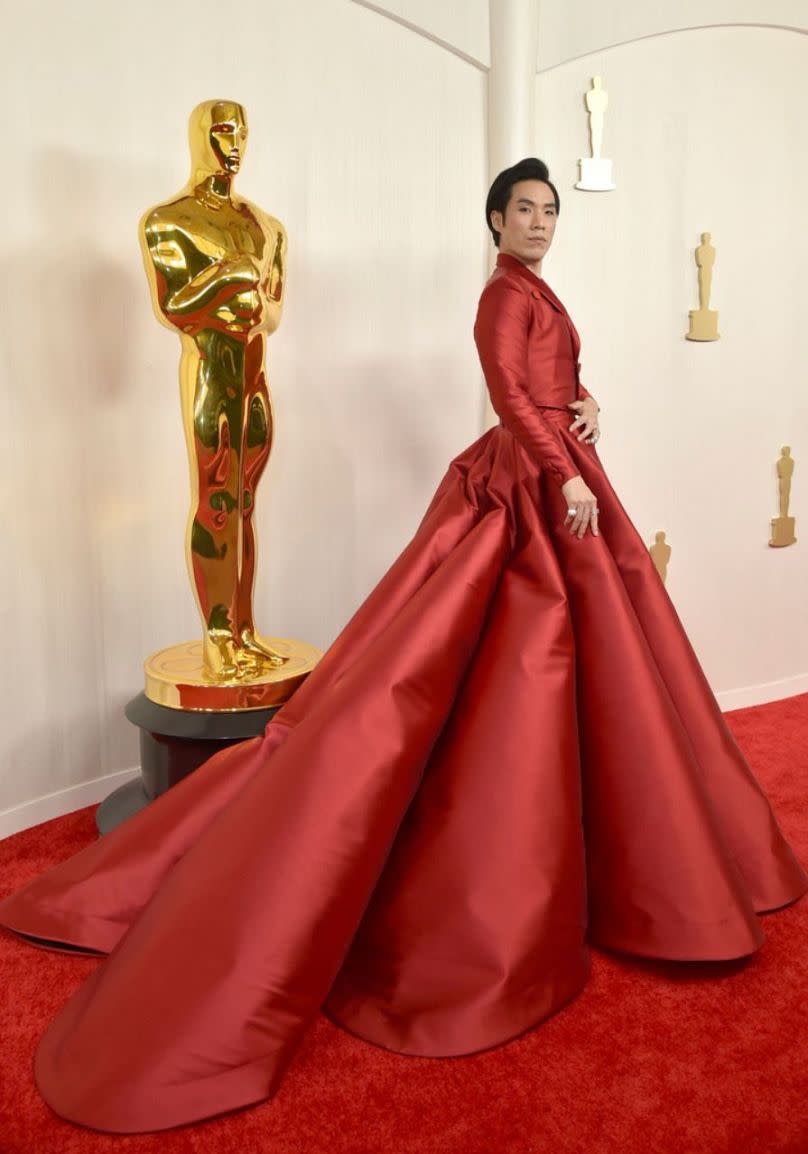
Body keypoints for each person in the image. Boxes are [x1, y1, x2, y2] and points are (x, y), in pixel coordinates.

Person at [1, 158, 805, 1136]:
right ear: (494, 219)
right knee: (509, 658)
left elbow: (552, 381)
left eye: (550, 210)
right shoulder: (499, 294)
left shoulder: (538, 289)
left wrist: (588, 405)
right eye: (524, 209)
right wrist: (565, 468)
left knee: (603, 658)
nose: (540, 222)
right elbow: (510, 394)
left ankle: (612, 843)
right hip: (536, 483)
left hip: (562, 468)